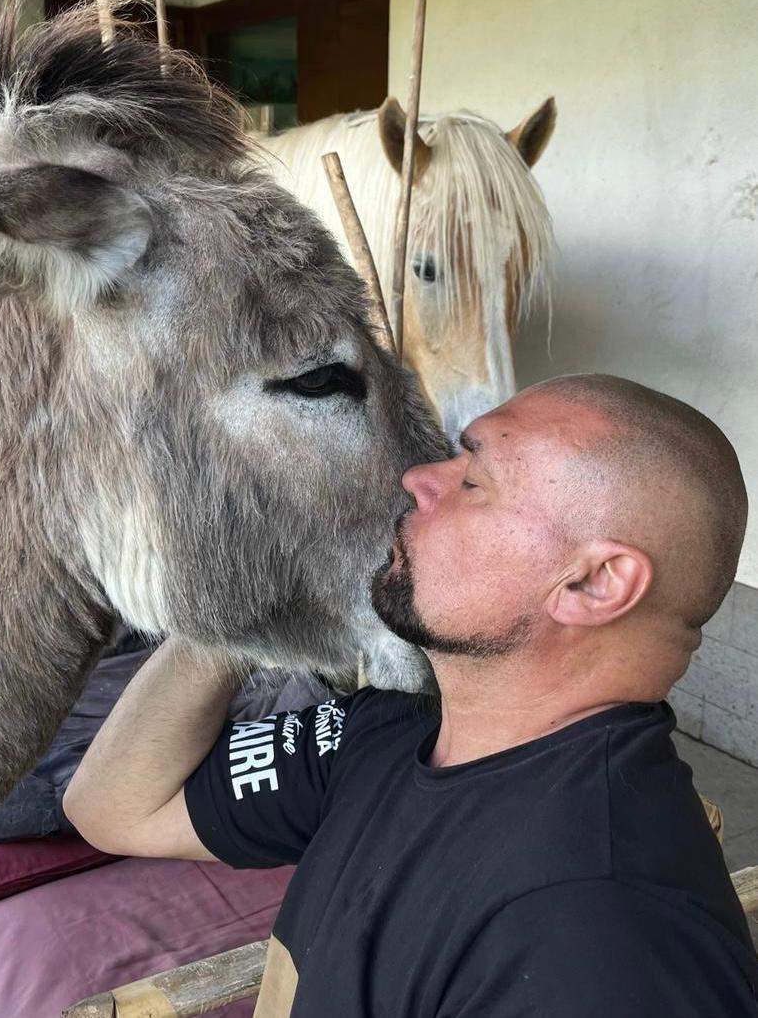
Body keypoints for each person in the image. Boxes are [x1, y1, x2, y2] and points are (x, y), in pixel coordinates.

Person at [64, 374, 758, 1017]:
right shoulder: (385, 737)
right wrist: (236, 619)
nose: (419, 479)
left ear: (593, 585)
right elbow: (116, 809)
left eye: (473, 479)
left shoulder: (599, 939)